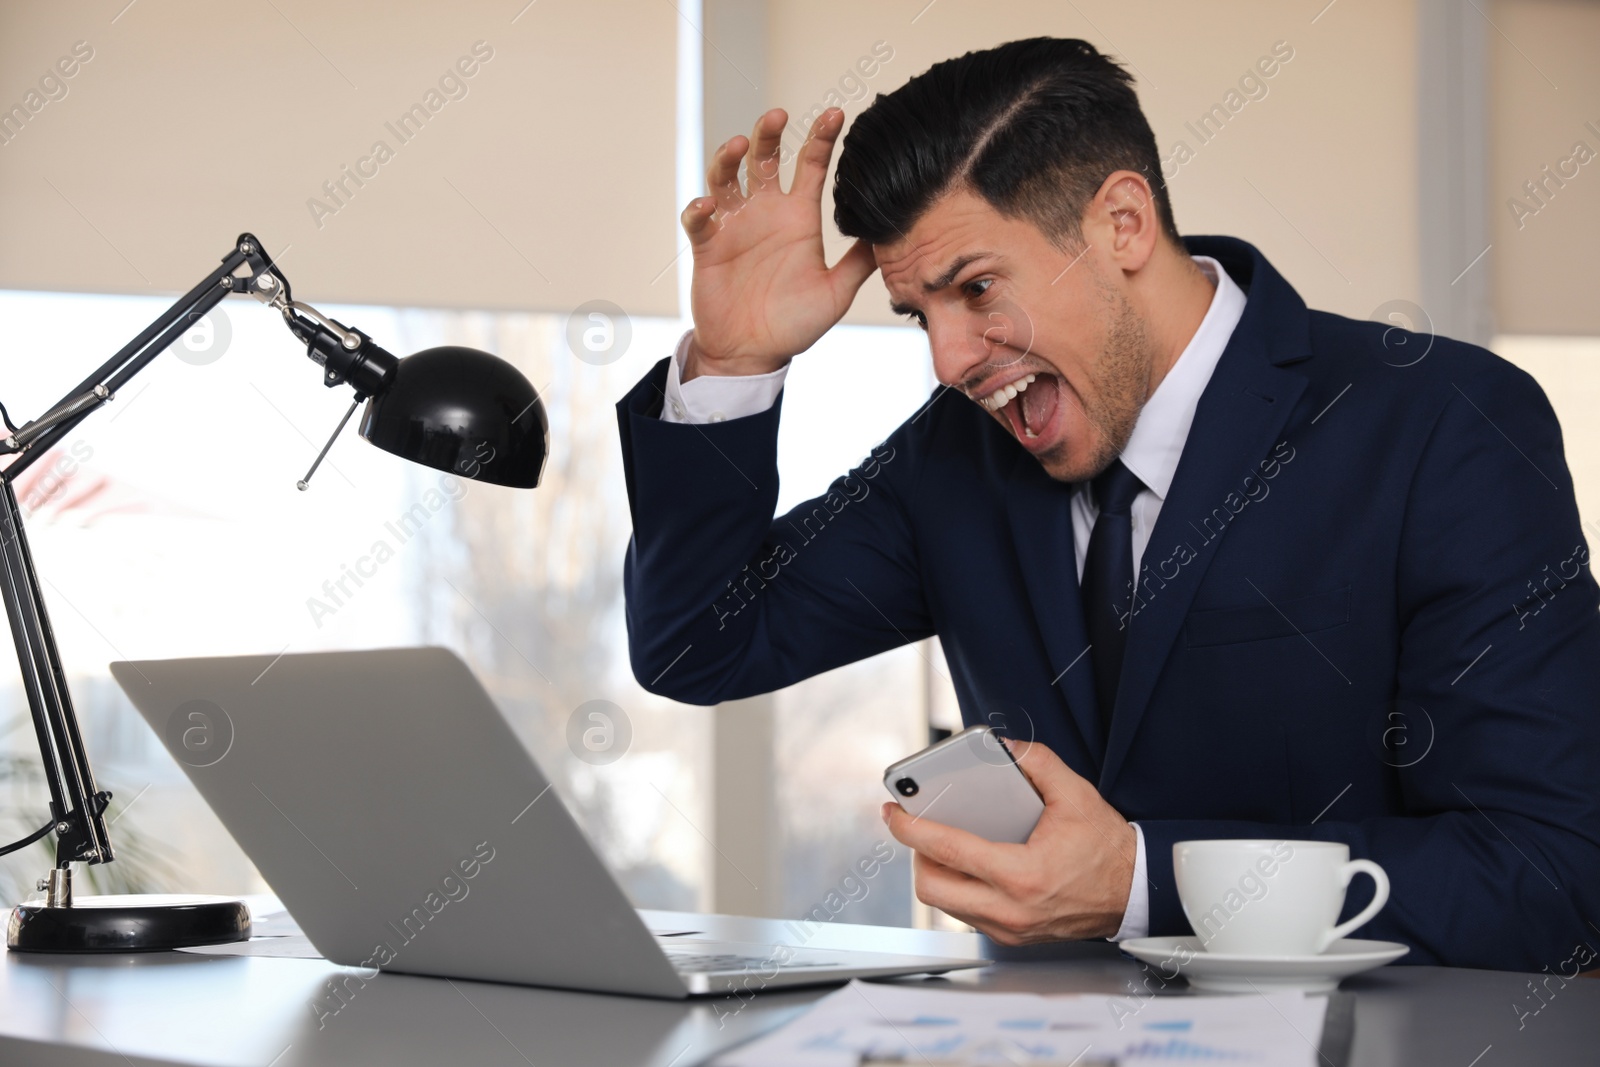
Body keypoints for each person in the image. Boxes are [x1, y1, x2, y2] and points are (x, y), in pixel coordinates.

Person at [614, 37, 1600, 970]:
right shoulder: (954, 459)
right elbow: (702, 641)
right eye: (920, 315)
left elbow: (1554, 872)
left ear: (1119, 224)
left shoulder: (1436, 423)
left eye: (977, 287)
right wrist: (735, 365)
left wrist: (1141, 880)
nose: (949, 361)